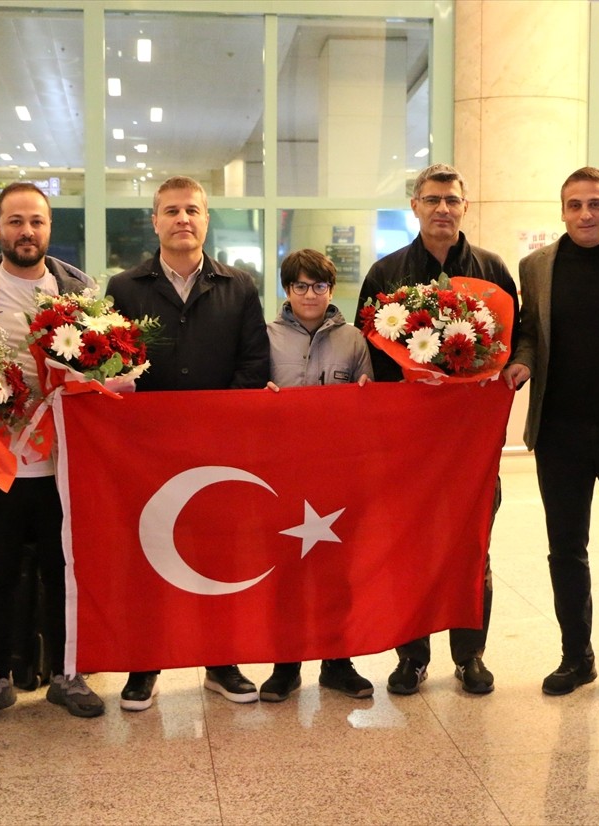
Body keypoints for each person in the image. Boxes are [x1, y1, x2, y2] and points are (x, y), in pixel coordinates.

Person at [353, 162, 518, 696]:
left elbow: (522, 335)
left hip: (471, 441)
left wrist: (518, 366)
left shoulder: (492, 269)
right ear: (416, 207)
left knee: (472, 547)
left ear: (464, 207)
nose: (442, 208)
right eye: (432, 199)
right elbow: (370, 354)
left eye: (451, 199)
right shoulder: (386, 274)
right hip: (408, 442)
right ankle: (413, 656)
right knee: (410, 548)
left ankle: (470, 656)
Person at [106, 175, 270, 710]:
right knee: (145, 554)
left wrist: (209, 421)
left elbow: (254, 365)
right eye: (171, 210)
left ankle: (220, 662)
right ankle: (143, 664)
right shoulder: (124, 289)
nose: (183, 219)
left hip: (218, 448)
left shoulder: (239, 286)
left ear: (206, 218)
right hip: (145, 450)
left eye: (192, 210)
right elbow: (112, 365)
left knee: (218, 555)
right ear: (154, 221)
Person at [502, 166, 599, 704]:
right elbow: (528, 331)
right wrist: (521, 364)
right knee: (566, 548)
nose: (585, 214)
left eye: (595, 203)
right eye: (574, 205)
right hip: (561, 430)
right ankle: (577, 656)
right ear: (562, 211)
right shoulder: (537, 265)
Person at [0, 182, 104, 724]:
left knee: (66, 570)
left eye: (35, 221)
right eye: (14, 221)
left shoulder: (79, 287)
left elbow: (102, 364)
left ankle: (68, 672)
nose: (26, 231)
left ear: (49, 227)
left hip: (63, 463)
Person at [259, 248, 374, 702]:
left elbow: (371, 406)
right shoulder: (264, 336)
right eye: (301, 286)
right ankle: (285, 665)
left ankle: (337, 662)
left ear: (332, 289)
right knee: (285, 572)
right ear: (287, 291)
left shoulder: (354, 340)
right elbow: (249, 398)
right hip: (283, 475)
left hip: (336, 474)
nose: (311, 295)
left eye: (320, 286)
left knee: (337, 571)